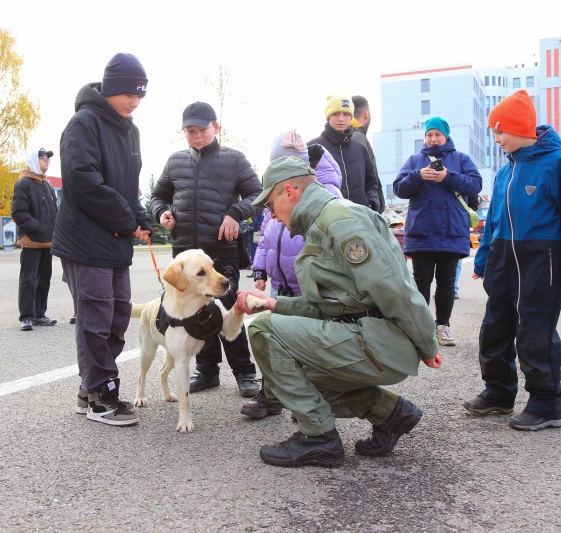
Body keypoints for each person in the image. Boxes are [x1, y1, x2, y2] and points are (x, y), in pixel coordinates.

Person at [234, 156, 442, 468]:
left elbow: (394, 290)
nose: (272, 216)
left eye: (270, 204)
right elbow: (331, 307)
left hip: (379, 340)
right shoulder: (321, 225)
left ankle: (318, 439)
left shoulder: (340, 221)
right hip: (367, 336)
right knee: (301, 381)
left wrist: (428, 344)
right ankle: (391, 414)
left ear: (289, 192)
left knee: (263, 329)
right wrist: (274, 303)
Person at [464, 90, 561, 431]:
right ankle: (498, 391)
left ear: (521, 127)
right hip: (503, 257)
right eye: (494, 132)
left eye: (500, 131)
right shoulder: (506, 171)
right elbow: (493, 220)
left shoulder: (555, 162)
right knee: (495, 328)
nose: (496, 139)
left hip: (541, 258)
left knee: (534, 331)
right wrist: (483, 259)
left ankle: (547, 403)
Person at [52, 52, 152, 427]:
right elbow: (83, 181)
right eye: (129, 93)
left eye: (140, 95)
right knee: (95, 317)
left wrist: (140, 217)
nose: (135, 101)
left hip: (114, 239)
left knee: (117, 315)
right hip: (84, 238)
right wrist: (127, 220)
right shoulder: (83, 123)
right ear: (111, 88)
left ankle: (88, 389)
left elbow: (127, 187)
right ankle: (101, 397)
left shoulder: (131, 129)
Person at [150, 101, 262, 398]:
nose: (197, 135)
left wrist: (236, 213)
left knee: (226, 309)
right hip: (185, 254)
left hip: (219, 254)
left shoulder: (234, 160)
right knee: (192, 314)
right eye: (190, 131)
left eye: (202, 129)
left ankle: (245, 373)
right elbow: (158, 196)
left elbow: (257, 194)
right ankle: (208, 370)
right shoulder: (175, 161)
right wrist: (162, 212)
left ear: (216, 127)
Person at [241, 130, 343, 419]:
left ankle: (309, 401)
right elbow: (267, 234)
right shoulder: (276, 191)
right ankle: (271, 395)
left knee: (306, 345)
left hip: (309, 286)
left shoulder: (327, 191)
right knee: (272, 340)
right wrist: (260, 267)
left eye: (289, 162)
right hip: (280, 285)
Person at [392, 117, 482, 347]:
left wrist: (448, 177)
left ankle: (443, 326)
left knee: (447, 281)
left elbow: (475, 185)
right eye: (429, 135)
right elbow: (399, 189)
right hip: (422, 230)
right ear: (425, 137)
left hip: (452, 230)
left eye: (438, 134)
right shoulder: (415, 161)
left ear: (446, 136)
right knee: (421, 280)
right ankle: (421, 329)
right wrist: (417, 176)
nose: (433, 139)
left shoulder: (461, 159)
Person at [11, 147, 59, 331]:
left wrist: (54, 230)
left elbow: (53, 211)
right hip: (32, 241)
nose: (47, 160)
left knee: (44, 278)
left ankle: (40, 314)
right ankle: (26, 317)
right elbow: (19, 212)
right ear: (33, 160)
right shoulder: (23, 184)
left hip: (48, 241)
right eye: (43, 158)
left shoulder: (46, 184)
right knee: (28, 279)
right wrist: (36, 228)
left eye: (48, 158)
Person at [308, 95, 381, 212]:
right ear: (328, 117)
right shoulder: (313, 148)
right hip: (326, 220)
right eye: (336, 114)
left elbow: (372, 182)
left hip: (360, 218)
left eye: (346, 114)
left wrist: (372, 202)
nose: (341, 119)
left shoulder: (360, 149)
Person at [350, 95, 385, 213]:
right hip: (362, 214)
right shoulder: (357, 138)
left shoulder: (351, 137)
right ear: (366, 113)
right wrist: (372, 204)